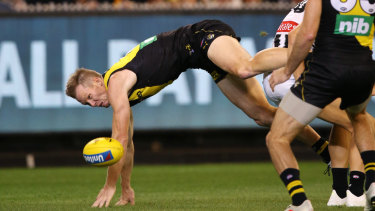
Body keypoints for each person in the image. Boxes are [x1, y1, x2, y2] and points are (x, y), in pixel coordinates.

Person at [65, 19, 330, 208]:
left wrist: (109, 186)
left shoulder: (116, 83)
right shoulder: (119, 93)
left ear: (97, 82)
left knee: (244, 68)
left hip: (201, 36)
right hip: (201, 58)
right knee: (263, 116)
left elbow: (118, 141)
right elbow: (128, 145)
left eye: (89, 97)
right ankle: (326, 151)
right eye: (86, 104)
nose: (93, 104)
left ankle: (311, 49)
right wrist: (125, 188)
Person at [265, 0, 375, 210]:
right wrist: (297, 80)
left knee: (278, 137)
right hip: (305, 72)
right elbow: (297, 36)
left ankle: (335, 193)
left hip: (298, 73)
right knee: (361, 121)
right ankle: (358, 189)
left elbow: (301, 35)